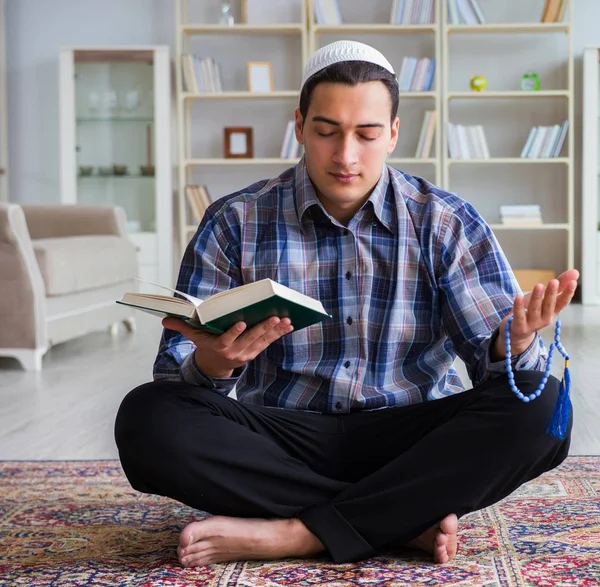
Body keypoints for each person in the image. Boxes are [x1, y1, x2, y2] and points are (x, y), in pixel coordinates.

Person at [114, 40, 579, 568]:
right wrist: (215, 364)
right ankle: (400, 516)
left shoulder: (446, 221)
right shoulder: (235, 220)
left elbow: (504, 376)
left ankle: (294, 532)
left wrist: (512, 343)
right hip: (284, 433)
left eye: (367, 134)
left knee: (546, 410)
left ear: (395, 133)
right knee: (145, 418)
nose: (345, 156)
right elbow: (174, 380)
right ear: (299, 125)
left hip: (411, 434)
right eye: (327, 131)